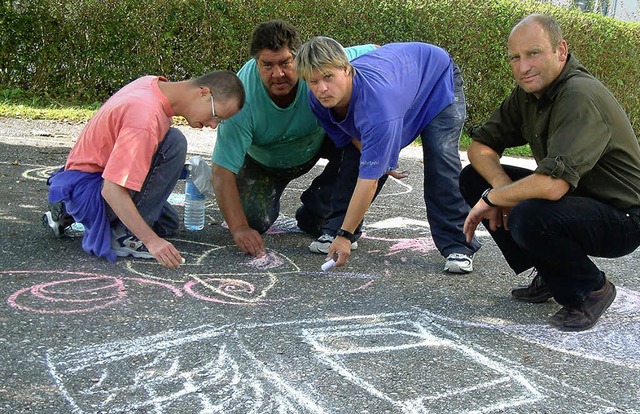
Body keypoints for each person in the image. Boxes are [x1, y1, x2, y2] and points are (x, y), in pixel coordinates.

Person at [460, 14, 640, 331]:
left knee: (528, 215)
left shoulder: (579, 96)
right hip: (578, 200)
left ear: (561, 51)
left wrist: (495, 198)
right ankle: (551, 272)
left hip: (623, 217)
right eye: (515, 58)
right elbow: (480, 145)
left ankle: (591, 289)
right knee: (473, 178)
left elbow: (553, 186)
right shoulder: (530, 94)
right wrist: (499, 187)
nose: (523, 67)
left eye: (533, 53)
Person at [295, 36, 481, 273]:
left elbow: (369, 181)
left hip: (437, 78)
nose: (322, 88)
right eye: (313, 81)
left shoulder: (377, 106)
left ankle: (459, 245)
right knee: (354, 158)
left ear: (346, 69)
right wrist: (380, 156)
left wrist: (345, 236)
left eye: (328, 77)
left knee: (440, 162)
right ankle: (336, 227)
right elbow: (354, 142)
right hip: (403, 80)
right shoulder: (318, 100)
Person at [43, 71, 245, 269]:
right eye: (216, 116)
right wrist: (151, 241)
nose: (213, 125)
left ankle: (67, 210)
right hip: (94, 189)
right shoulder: (145, 118)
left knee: (167, 224)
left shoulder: (152, 85)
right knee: (174, 144)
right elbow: (111, 190)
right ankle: (122, 236)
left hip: (84, 178)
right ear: (203, 93)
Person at [211, 20, 378, 258]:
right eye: (267, 65)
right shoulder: (240, 97)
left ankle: (318, 208)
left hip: (319, 143)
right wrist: (239, 228)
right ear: (255, 63)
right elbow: (221, 171)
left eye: (286, 63)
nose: (278, 74)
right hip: (264, 162)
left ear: (298, 58)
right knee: (252, 221)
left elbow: (377, 51)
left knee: (362, 145)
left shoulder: (317, 67)